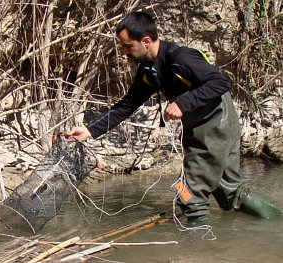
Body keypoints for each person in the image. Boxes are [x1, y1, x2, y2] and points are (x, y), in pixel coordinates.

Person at [64, 12, 281, 222]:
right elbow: (128, 105)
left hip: (217, 122)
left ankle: (195, 252)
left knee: (190, 196)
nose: (124, 52)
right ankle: (276, 225)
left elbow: (220, 83)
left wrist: (183, 103)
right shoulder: (148, 70)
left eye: (127, 45)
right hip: (205, 125)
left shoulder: (181, 57)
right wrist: (91, 130)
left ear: (146, 40)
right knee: (229, 192)